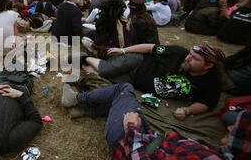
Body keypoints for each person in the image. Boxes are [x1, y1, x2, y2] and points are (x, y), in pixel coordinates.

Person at [61, 82, 251, 160]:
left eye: (237, 128)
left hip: (127, 143)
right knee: (124, 104)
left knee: (124, 89)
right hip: (149, 139)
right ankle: (83, 111)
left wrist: (132, 130)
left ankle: (78, 99)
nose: (229, 127)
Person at [84, 42, 225, 118]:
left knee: (101, 77)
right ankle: (86, 57)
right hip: (137, 62)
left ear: (209, 66)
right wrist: (124, 51)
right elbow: (150, 48)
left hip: (134, 82)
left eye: (195, 58)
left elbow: (207, 103)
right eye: (190, 54)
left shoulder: (212, 81)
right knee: (105, 70)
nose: (188, 58)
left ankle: (86, 63)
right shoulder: (179, 52)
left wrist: (187, 110)